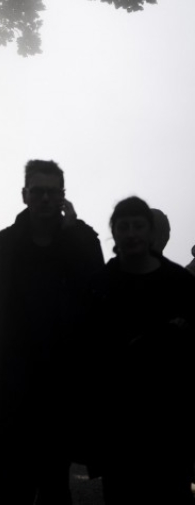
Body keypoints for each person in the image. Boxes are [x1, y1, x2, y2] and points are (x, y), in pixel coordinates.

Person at [0, 160, 104, 504]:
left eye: (53, 192)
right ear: (25, 195)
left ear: (62, 197)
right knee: (13, 479)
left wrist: (74, 232)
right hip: (16, 374)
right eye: (38, 192)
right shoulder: (4, 245)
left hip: (63, 376)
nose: (45, 199)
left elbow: (97, 291)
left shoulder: (81, 239)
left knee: (54, 478)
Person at [92, 197, 195, 504]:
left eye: (138, 226)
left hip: (169, 417)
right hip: (120, 418)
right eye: (124, 227)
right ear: (115, 232)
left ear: (151, 232)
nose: (131, 233)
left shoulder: (180, 283)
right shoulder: (101, 284)